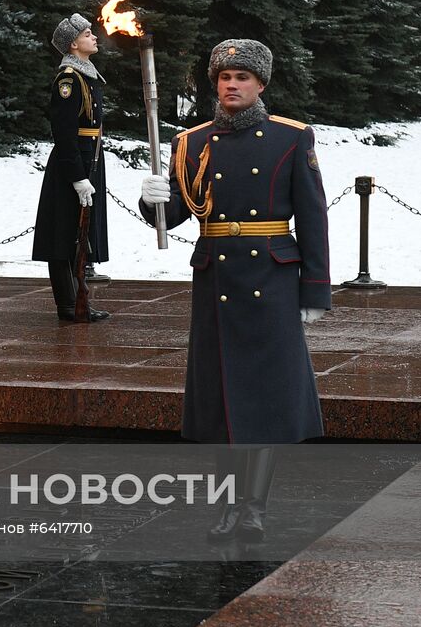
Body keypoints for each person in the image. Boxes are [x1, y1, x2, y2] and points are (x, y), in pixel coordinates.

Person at [138, 39, 330, 542]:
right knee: (224, 400)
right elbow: (177, 212)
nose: (231, 85)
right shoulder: (193, 141)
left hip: (271, 278)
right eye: (224, 78)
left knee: (262, 399)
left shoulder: (291, 138)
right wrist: (152, 199)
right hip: (218, 280)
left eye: (242, 78)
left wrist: (314, 291)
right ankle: (228, 507)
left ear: (260, 85)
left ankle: (254, 508)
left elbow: (312, 219)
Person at [32, 13, 110, 323]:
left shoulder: (86, 74)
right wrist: (77, 176)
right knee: (63, 235)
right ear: (74, 43)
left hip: (87, 156)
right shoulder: (69, 78)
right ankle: (68, 304)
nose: (94, 37)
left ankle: (79, 301)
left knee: (78, 234)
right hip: (72, 161)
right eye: (88, 33)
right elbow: (64, 132)